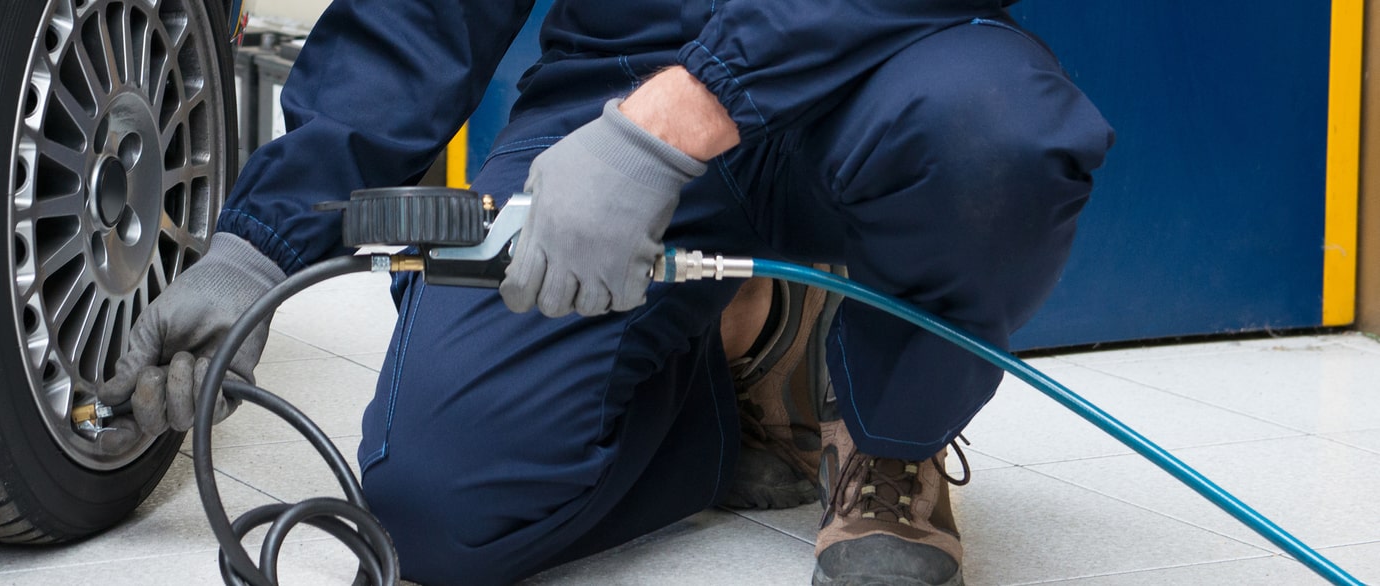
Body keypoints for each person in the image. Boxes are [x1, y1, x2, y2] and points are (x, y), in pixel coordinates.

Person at [100, 0, 1114, 584]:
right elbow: (421, 12)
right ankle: (748, 349)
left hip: (886, 62)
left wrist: (692, 107)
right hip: (614, 84)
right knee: (435, 511)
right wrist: (261, 241)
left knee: (994, 139)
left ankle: (888, 444)